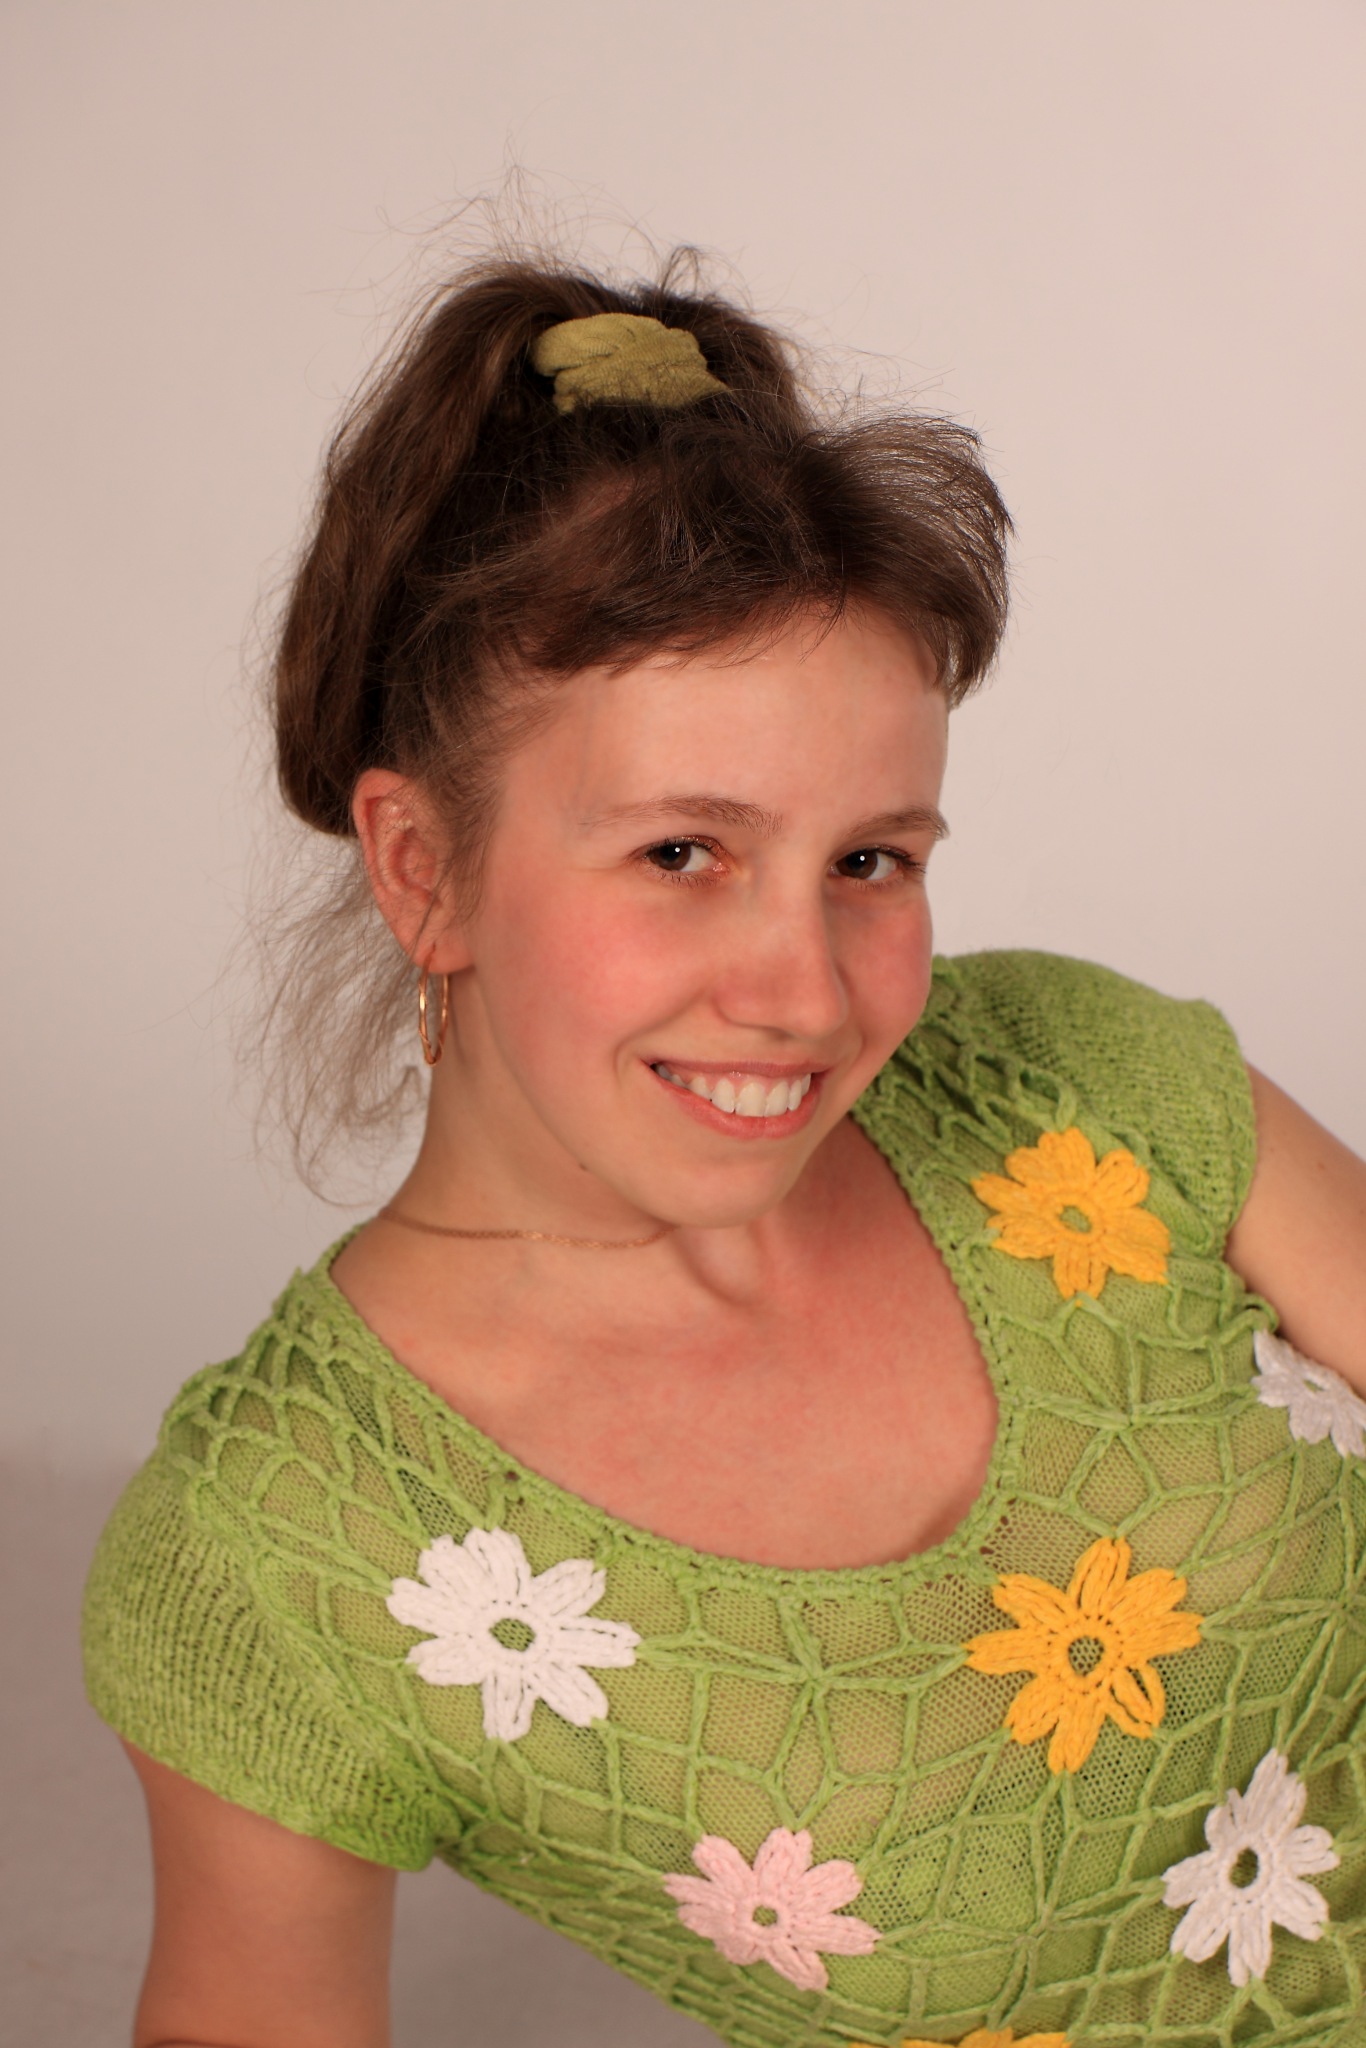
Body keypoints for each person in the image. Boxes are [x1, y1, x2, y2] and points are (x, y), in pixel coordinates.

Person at [83, 252, 1366, 2048]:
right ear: (421, 868)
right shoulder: (284, 1549)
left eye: (870, 861)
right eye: (682, 853)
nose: (805, 993)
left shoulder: (1075, 1083)